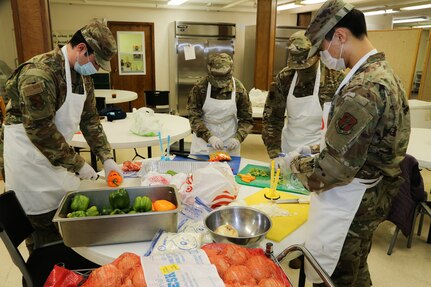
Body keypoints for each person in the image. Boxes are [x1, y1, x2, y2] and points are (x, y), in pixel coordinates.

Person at [284, 0, 411, 286]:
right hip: (373, 192)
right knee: (355, 270)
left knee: (335, 275)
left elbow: (332, 172)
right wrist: (318, 149)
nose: (324, 57)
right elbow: (365, 140)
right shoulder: (381, 71)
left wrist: (296, 164)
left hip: (353, 202)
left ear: (340, 36)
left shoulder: (364, 88)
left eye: (323, 48)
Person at [1, 22, 123, 252]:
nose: (96, 69)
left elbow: (90, 120)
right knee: (42, 230)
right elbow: (41, 130)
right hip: (28, 160)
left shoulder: (82, 76)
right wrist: (78, 164)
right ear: (80, 48)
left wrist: (107, 157)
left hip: (57, 158)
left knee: (64, 219)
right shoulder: (40, 74)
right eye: (96, 62)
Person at [262, 30, 343, 159]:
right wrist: (275, 153)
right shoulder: (285, 78)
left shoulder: (334, 79)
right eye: (298, 67)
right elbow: (272, 120)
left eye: (307, 67)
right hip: (288, 150)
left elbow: (340, 129)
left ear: (318, 56)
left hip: (319, 154)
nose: (302, 71)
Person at [187, 53, 253, 156]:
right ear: (209, 70)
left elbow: (246, 119)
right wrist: (210, 137)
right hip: (204, 138)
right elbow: (194, 116)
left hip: (229, 136)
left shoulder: (239, 89)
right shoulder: (200, 88)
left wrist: (238, 138)